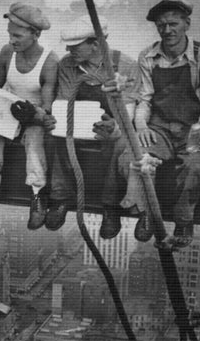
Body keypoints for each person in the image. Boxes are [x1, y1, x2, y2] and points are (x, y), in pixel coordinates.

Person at [114, 0, 200, 247]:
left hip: (197, 129)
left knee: (195, 168)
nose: (167, 31)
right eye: (161, 26)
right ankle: (146, 211)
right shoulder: (148, 56)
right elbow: (144, 99)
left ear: (186, 24)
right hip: (161, 127)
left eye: (173, 24)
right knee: (132, 157)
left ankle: (183, 219)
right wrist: (142, 126)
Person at [51, 21, 136, 238]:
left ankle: (110, 206)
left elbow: (129, 111)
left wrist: (114, 127)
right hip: (79, 123)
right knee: (57, 137)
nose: (69, 50)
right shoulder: (67, 65)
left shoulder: (125, 65)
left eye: (75, 46)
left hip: (112, 126)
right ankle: (60, 197)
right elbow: (63, 102)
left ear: (96, 44)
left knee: (118, 143)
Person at [0, 2, 59, 230]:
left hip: (33, 115)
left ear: (35, 35)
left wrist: (34, 114)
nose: (11, 40)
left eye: (17, 36)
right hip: (11, 108)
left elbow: (47, 107)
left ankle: (37, 194)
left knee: (35, 139)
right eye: (10, 34)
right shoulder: (7, 53)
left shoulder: (49, 61)